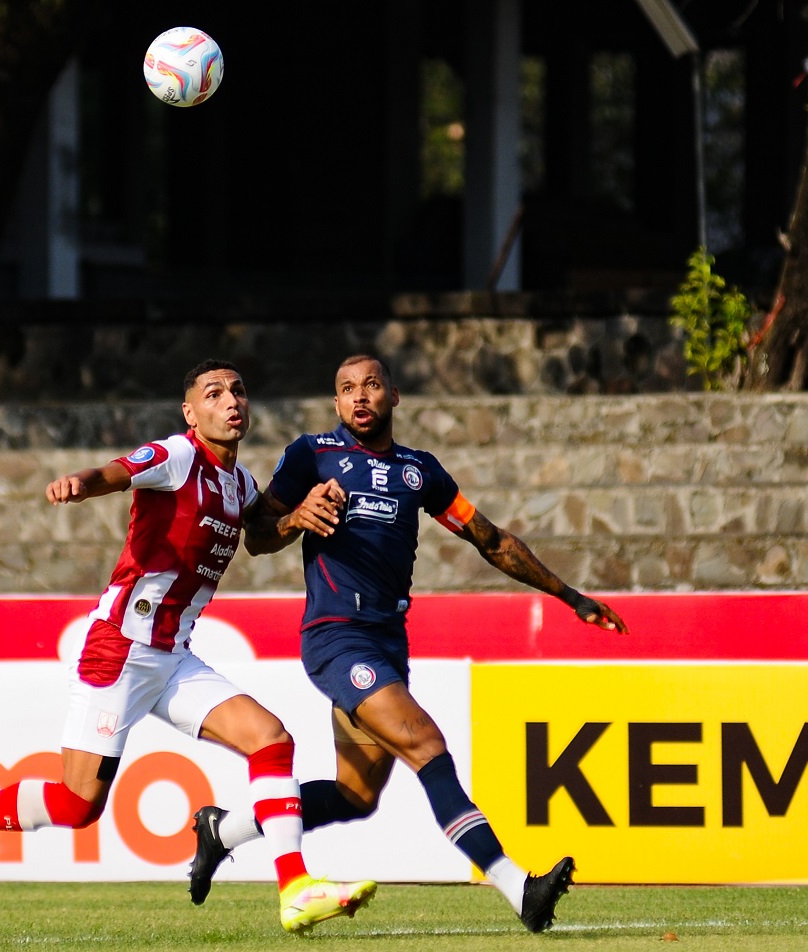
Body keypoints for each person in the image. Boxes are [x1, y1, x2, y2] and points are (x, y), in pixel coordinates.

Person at [0, 358, 376, 934]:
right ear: (191, 412)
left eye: (239, 391)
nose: (231, 400)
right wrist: (80, 484)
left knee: (271, 742)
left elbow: (262, 538)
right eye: (214, 393)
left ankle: (295, 888)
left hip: (174, 658)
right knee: (76, 805)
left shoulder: (241, 484)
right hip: (120, 648)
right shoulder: (177, 455)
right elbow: (117, 472)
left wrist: (297, 515)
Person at [186, 354, 630, 933]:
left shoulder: (419, 471)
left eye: (371, 385)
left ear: (394, 395)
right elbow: (259, 536)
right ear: (337, 403)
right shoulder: (311, 454)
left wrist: (570, 596)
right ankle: (519, 887)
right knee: (427, 745)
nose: (359, 397)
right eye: (346, 389)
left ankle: (223, 830)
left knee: (355, 796)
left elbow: (490, 539)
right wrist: (296, 516)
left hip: (387, 642)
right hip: (337, 641)